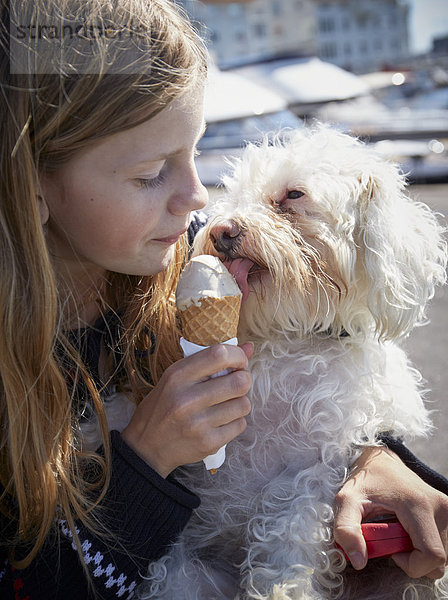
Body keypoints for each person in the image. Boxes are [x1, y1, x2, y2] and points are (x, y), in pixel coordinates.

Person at [0, 0, 446, 598]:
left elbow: (334, 371)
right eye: (150, 172)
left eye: (196, 151)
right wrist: (147, 457)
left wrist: (375, 457)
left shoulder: (195, 260)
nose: (198, 198)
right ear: (32, 183)